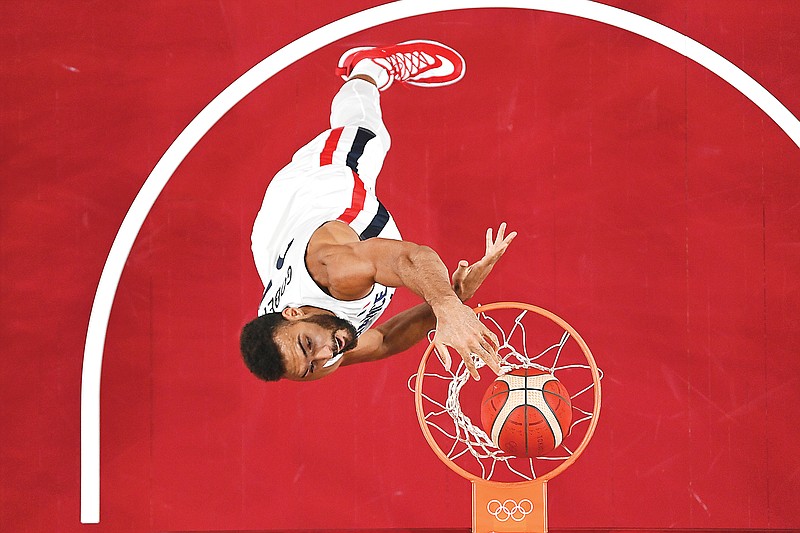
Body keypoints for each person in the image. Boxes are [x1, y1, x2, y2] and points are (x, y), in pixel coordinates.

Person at [240, 40, 516, 382]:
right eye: (312, 364)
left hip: (315, 187)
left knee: (369, 136)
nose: (326, 354)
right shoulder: (303, 359)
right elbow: (384, 340)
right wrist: (458, 295)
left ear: (295, 313)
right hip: (271, 243)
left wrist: (447, 305)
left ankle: (368, 69)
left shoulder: (337, 271)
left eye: (309, 344)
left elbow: (409, 259)